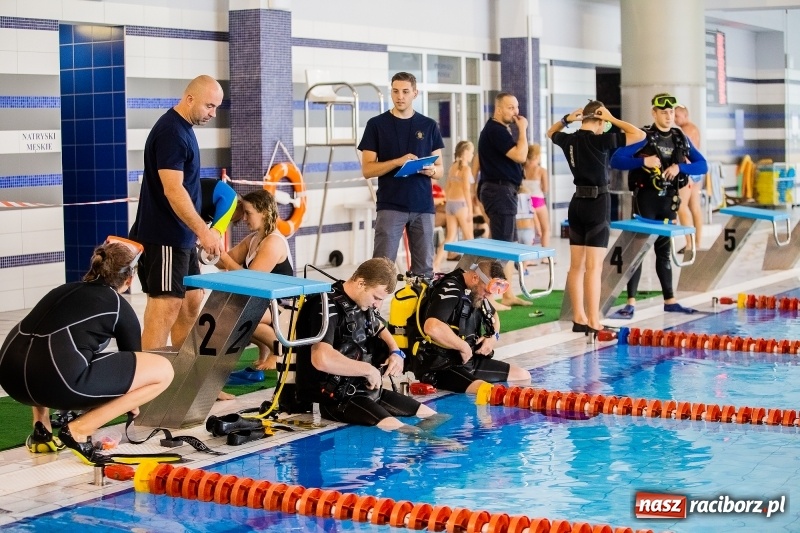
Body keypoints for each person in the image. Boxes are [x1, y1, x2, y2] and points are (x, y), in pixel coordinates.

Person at [0, 239, 174, 463]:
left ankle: (41, 429)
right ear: (129, 280)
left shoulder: (62, 290)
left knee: (46, 346)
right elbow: (138, 363)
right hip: (56, 383)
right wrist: (132, 405)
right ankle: (79, 430)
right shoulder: (119, 306)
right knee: (163, 371)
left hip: (10, 379)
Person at [129, 75, 225, 351]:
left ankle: (184, 382)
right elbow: (173, 190)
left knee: (192, 302)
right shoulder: (172, 131)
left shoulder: (183, 128)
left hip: (180, 237)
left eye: (216, 107)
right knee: (166, 307)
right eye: (209, 106)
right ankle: (150, 385)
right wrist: (203, 231)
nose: (212, 114)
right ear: (190, 98)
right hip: (165, 236)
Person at [294, 257, 438, 431]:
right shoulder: (325, 305)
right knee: (407, 431)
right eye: (376, 298)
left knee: (434, 417)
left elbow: (378, 327)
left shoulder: (362, 303)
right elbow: (321, 358)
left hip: (368, 390)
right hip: (339, 399)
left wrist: (395, 352)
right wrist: (368, 370)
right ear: (361, 283)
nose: (377, 305)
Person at [548, 100, 645, 335]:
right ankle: (594, 321)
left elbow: (550, 132)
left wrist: (568, 120)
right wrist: (612, 118)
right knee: (593, 268)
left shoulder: (569, 139)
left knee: (576, 267)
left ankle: (579, 318)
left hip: (576, 205)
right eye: (604, 123)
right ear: (600, 120)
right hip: (597, 205)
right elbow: (639, 135)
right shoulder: (602, 141)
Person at [609, 93, 708, 319]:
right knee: (638, 252)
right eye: (663, 112)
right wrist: (642, 161)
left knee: (663, 252)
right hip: (645, 200)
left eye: (671, 112)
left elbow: (703, 165)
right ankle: (630, 303)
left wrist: (680, 168)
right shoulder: (644, 137)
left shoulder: (679, 138)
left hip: (667, 201)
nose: (668, 116)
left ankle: (670, 300)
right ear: (654, 113)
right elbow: (615, 160)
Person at [359, 72, 445, 277]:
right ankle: (374, 309)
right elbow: (367, 169)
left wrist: (431, 170)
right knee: (381, 270)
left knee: (424, 271)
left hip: (423, 206)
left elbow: (441, 169)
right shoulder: (376, 125)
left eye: (405, 92)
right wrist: (398, 162)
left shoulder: (429, 125)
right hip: (391, 205)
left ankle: (419, 309)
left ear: (415, 93)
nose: (400, 96)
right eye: (396, 91)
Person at [412, 260, 531, 394]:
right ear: (475, 277)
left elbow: (494, 315)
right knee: (487, 391)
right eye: (486, 291)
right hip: (442, 366)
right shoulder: (451, 289)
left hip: (468, 361)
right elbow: (432, 327)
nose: (488, 296)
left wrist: (493, 337)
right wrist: (463, 347)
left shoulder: (475, 291)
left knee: (523, 376)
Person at [218, 189, 292, 372]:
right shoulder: (253, 239)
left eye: (248, 213)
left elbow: (252, 279)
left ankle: (281, 349)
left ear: (264, 213)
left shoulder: (273, 242)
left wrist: (226, 261)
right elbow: (223, 262)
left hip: (282, 307)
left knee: (237, 316)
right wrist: (210, 246)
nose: (244, 218)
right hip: (265, 302)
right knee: (224, 313)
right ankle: (264, 347)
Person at [476, 92, 531, 309]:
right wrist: (524, 130)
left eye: (516, 107)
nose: (516, 112)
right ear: (499, 109)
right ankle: (487, 297)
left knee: (508, 244)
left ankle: (507, 294)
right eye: (511, 108)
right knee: (500, 247)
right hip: (499, 191)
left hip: (502, 191)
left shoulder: (499, 130)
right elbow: (520, 155)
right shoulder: (495, 130)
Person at [433, 140, 474, 272]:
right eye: (471, 152)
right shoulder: (466, 169)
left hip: (450, 204)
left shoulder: (452, 167)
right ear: (466, 152)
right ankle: (473, 268)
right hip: (461, 205)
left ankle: (436, 264)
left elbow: (448, 188)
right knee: (469, 238)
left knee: (449, 238)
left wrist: (448, 203)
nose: (472, 155)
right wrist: (470, 210)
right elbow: (466, 190)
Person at [674, 104, 704, 253]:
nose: (674, 119)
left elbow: (684, 154)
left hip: (688, 172)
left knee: (681, 206)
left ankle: (689, 243)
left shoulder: (685, 131)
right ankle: (697, 242)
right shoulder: (694, 128)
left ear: (685, 116)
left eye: (677, 116)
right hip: (696, 171)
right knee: (695, 208)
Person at [523, 144, 552, 253]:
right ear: (536, 157)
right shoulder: (541, 171)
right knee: (545, 229)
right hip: (538, 202)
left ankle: (528, 259)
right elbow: (545, 189)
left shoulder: (522, 169)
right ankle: (545, 257)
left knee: (529, 231)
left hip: (525, 204)